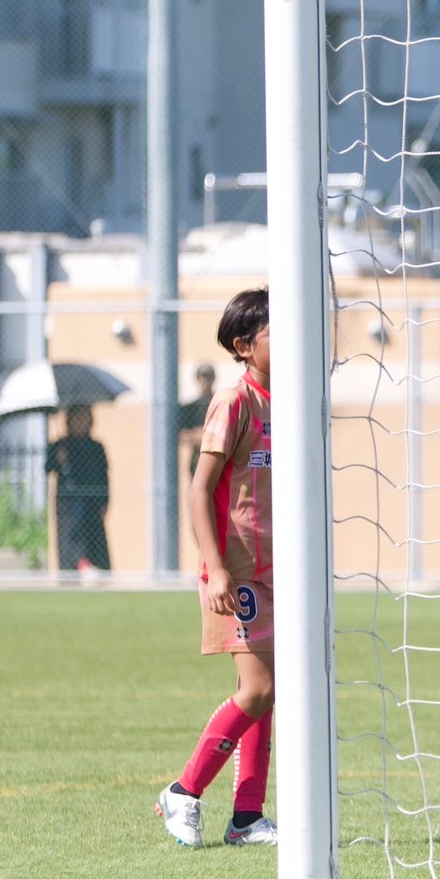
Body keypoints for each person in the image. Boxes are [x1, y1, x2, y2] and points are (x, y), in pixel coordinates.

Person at [155, 287, 278, 848]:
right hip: (237, 573)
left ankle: (247, 817)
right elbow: (199, 489)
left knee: (267, 692)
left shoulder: (288, 403)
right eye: (276, 331)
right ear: (244, 346)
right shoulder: (234, 402)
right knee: (259, 688)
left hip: (276, 574)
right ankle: (183, 791)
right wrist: (216, 567)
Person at [45, 404, 111, 574]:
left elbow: (103, 476)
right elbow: (48, 468)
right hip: (68, 502)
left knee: (94, 536)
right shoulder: (61, 445)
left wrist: (105, 500)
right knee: (70, 537)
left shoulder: (96, 447)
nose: (80, 423)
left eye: (84, 419)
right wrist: (59, 458)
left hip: (92, 501)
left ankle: (96, 567)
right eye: (76, 419)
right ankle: (73, 568)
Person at [178, 364, 217, 476]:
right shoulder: (192, 407)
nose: (204, 381)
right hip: (197, 460)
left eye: (208, 377)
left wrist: (203, 435)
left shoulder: (219, 404)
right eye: (201, 377)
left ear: (213, 379)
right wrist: (205, 436)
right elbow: (181, 434)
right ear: (197, 379)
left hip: (216, 460)